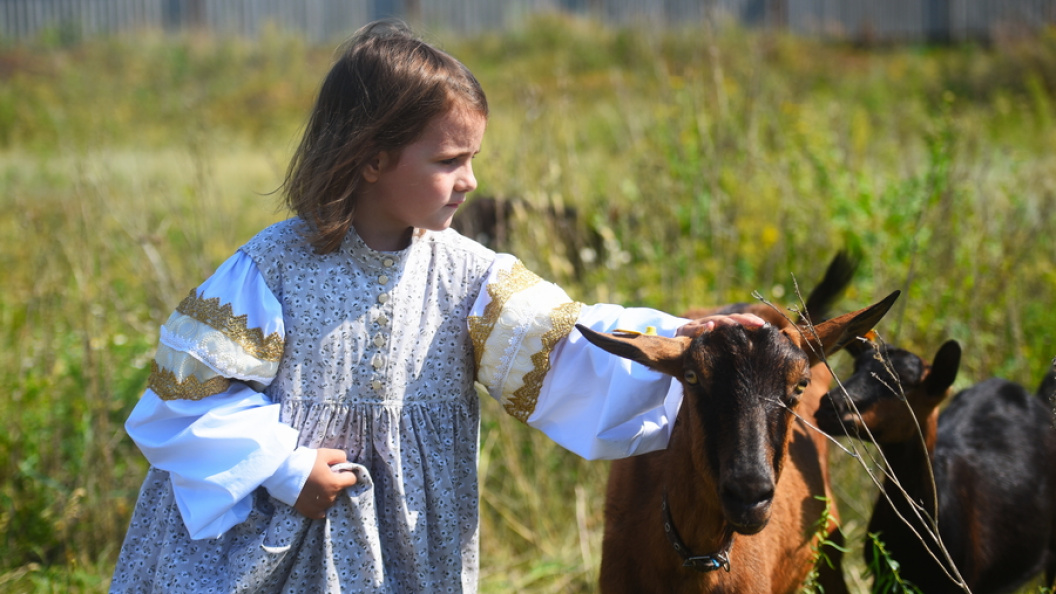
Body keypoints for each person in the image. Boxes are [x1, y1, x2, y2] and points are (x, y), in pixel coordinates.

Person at [109, 19, 762, 593]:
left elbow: (564, 345)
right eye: (450, 159)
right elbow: (186, 397)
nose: (471, 180)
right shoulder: (271, 272)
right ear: (371, 159)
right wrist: (285, 466)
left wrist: (682, 339)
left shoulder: (469, 277)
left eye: (473, 158)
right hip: (272, 548)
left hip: (408, 553)